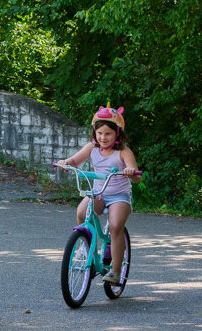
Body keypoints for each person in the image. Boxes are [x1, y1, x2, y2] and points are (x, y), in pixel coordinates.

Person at [53, 107, 140, 284]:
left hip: (119, 196)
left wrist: (131, 172)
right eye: (99, 133)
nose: (102, 138)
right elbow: (74, 161)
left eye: (108, 133)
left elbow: (136, 178)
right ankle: (85, 245)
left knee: (116, 226)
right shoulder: (92, 148)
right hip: (99, 193)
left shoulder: (123, 152)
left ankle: (115, 271)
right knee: (81, 212)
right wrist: (66, 163)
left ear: (117, 134)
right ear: (95, 132)